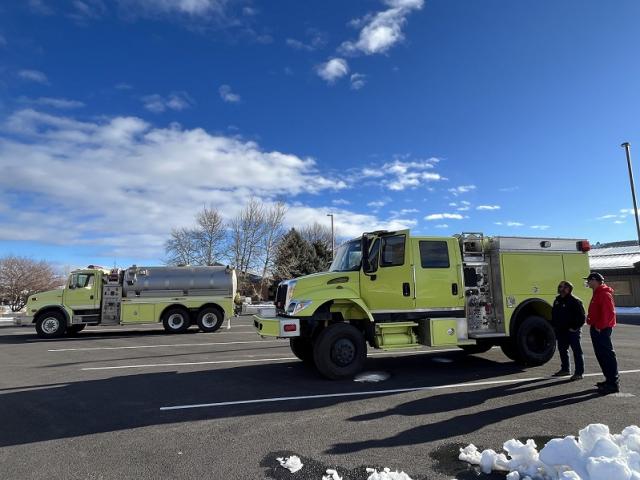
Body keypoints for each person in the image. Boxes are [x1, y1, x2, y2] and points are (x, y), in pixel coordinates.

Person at [585, 272, 620, 394]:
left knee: (607, 355)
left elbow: (609, 313)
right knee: (601, 355)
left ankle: (613, 383)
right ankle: (608, 380)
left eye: (589, 280)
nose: (588, 282)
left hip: (601, 329)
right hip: (597, 328)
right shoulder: (597, 293)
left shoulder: (604, 294)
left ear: (595, 280)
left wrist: (600, 326)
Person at [551, 281, 585, 380]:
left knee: (577, 351)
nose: (559, 288)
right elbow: (554, 315)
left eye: (561, 286)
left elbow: (581, 317)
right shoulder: (557, 300)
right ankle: (565, 369)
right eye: (559, 286)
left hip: (572, 331)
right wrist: (554, 326)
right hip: (561, 331)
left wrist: (574, 328)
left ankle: (579, 373)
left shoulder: (575, 301)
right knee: (562, 350)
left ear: (568, 289)